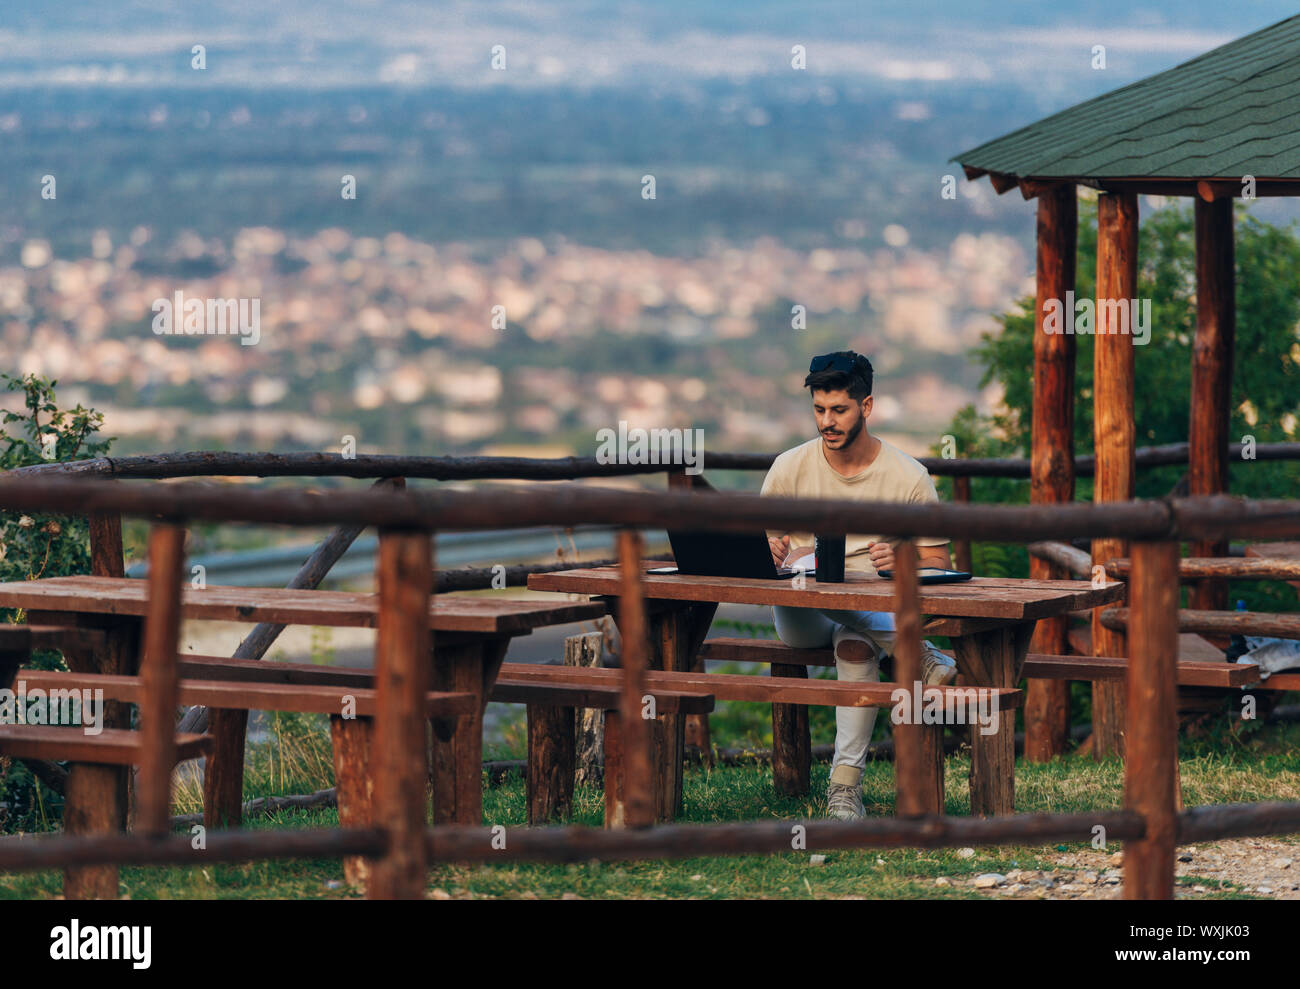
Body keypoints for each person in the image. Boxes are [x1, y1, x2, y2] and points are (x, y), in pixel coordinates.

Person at [760, 349, 958, 821]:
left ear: (866, 407)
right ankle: (916, 650)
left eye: (838, 410)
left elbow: (940, 563)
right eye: (819, 410)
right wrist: (768, 550)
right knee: (814, 577)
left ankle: (844, 789)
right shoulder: (789, 467)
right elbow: (759, 547)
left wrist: (905, 559)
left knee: (856, 648)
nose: (826, 422)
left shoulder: (909, 477)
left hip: (867, 613)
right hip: (801, 614)